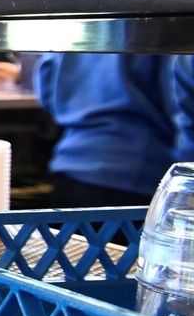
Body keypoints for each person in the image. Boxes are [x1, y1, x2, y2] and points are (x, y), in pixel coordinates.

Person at [32, 53, 176, 206]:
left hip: (70, 168)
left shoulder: (79, 29)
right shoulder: (163, 33)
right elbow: (181, 102)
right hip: (139, 174)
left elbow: (46, 84)